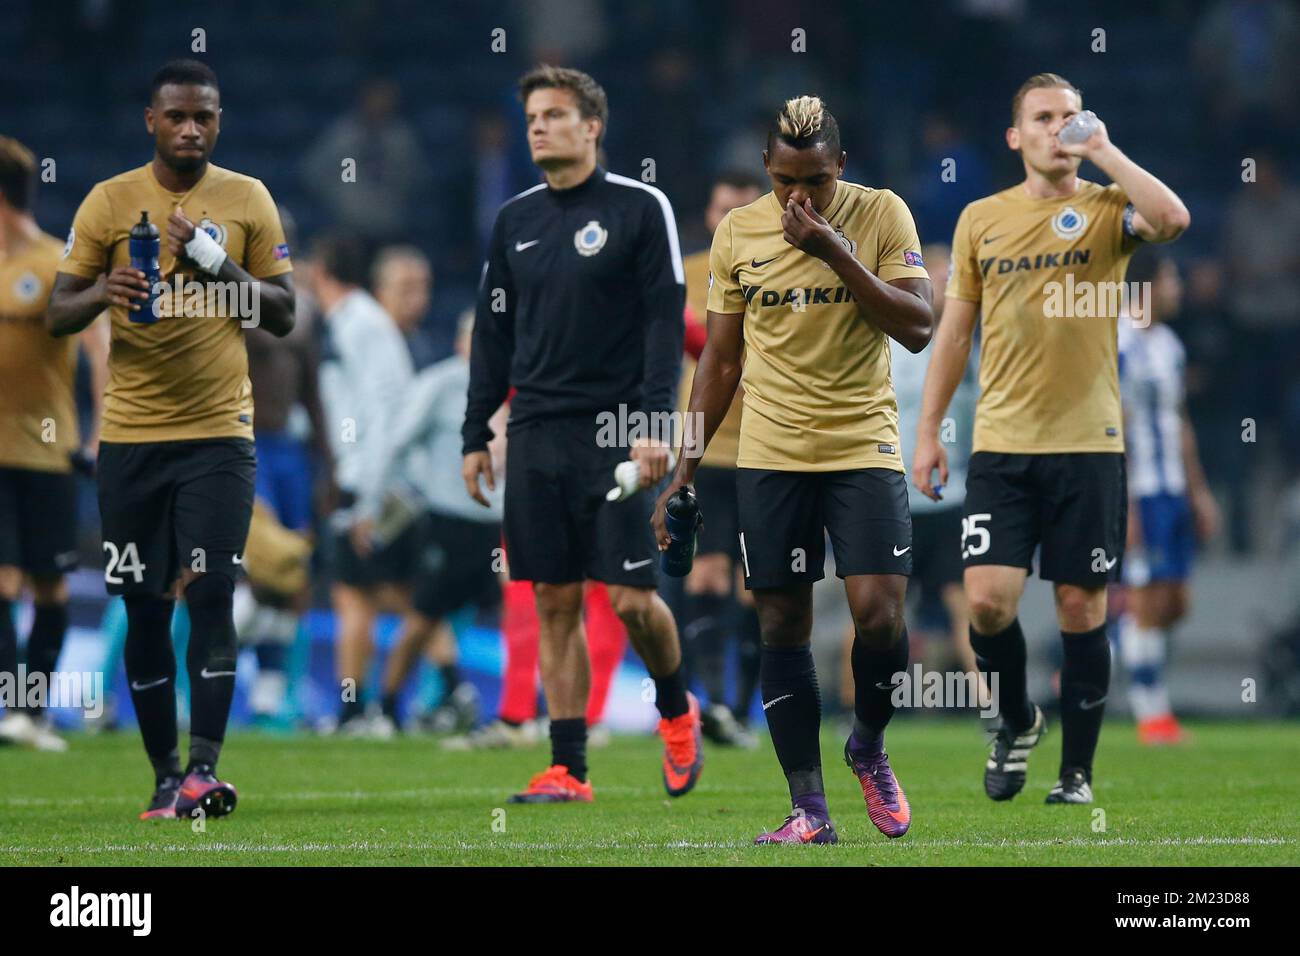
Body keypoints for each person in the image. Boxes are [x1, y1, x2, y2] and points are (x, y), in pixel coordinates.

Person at [655, 95, 934, 844]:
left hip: (861, 445)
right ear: (765, 172)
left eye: (815, 180)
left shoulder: (882, 216)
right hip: (771, 454)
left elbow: (917, 326)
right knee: (782, 621)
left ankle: (868, 745)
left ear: (841, 165)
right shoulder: (738, 232)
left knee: (880, 612)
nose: (799, 198)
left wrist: (832, 250)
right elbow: (720, 359)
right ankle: (808, 809)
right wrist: (684, 469)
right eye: (784, 181)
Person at [912, 73, 1190, 805]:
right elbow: (954, 333)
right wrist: (930, 432)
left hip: (1090, 444)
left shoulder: (1106, 209)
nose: (1061, 127)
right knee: (989, 604)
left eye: (1072, 115)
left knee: (1080, 607)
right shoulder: (981, 219)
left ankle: (1077, 775)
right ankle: (1014, 718)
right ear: (1016, 136)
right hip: (1002, 445)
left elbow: (1172, 218)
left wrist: (1107, 151)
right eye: (1044, 117)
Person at [47, 59, 297, 820]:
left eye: (206, 116)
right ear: (150, 121)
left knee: (215, 593)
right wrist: (100, 291)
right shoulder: (109, 201)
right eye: (179, 116)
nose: (193, 128)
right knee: (145, 607)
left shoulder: (247, 198)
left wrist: (216, 263)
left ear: (217, 121)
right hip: (130, 440)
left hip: (220, 435)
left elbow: (282, 314)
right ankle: (163, 778)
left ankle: (203, 769)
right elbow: (57, 312)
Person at [463, 65, 701, 803]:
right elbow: (492, 337)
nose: (539, 126)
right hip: (535, 429)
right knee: (555, 600)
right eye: (533, 115)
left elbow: (664, 321)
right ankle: (568, 767)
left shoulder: (639, 207)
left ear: (592, 127)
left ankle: (674, 708)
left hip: (616, 429)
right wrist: (477, 432)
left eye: (555, 114)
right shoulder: (515, 221)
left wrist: (654, 422)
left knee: (631, 599)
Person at [838, 241, 981, 715]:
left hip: (948, 496)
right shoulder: (884, 342)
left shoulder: (966, 349)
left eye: (948, 279)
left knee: (967, 606)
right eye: (936, 277)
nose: (942, 287)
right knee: (873, 610)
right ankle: (851, 709)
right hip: (891, 493)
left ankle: (989, 709)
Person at [0, 135, 108, 751]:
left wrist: (99, 433)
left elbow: (100, 350)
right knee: (4, 579)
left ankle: (33, 711)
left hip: (48, 449)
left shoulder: (56, 264)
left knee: (51, 587)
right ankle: (14, 707)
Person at [351, 311, 506, 733]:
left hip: (495, 527)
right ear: (461, 343)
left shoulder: (514, 392)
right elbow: (396, 442)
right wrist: (371, 506)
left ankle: (493, 705)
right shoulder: (441, 385)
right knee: (423, 617)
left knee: (505, 612)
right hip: (447, 521)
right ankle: (386, 707)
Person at [309, 231, 414, 736]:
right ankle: (381, 704)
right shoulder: (354, 322)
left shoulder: (359, 325)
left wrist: (368, 495)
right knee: (384, 594)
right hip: (362, 476)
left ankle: (354, 708)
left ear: (321, 272)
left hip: (365, 480)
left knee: (354, 597)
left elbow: (382, 411)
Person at [674, 170, 764, 748]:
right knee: (707, 573)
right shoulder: (683, 276)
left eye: (742, 210)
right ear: (709, 217)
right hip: (703, 452)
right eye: (722, 210)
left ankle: (742, 707)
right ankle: (714, 707)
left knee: (759, 584)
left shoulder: (778, 272)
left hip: (764, 446)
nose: (730, 221)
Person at [1117, 249, 1219, 744]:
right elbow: (1116, 425)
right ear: (1148, 286)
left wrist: (1200, 493)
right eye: (1171, 277)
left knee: (1176, 601)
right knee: (1147, 599)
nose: (1178, 286)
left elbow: (1179, 421)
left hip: (1174, 487)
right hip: (1141, 489)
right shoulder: (1119, 341)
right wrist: (1126, 501)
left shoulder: (1170, 346)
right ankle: (1151, 708)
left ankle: (1094, 651)